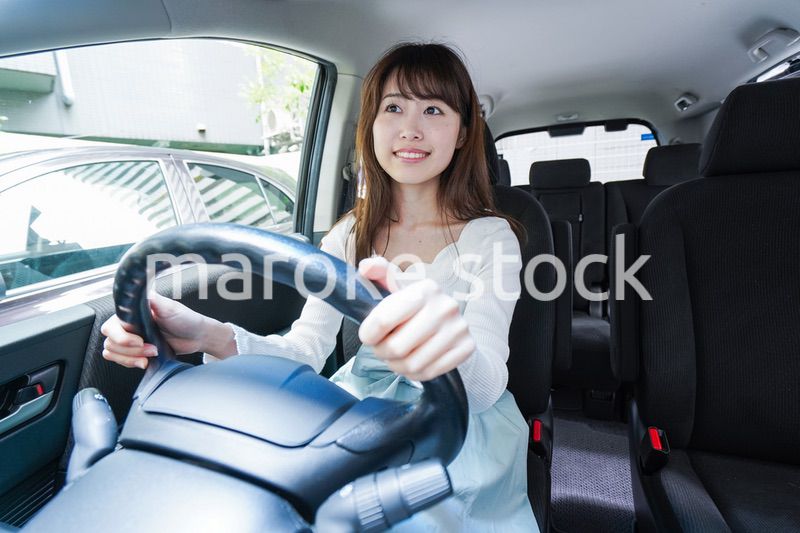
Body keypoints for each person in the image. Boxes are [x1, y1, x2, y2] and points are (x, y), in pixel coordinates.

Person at [101, 42, 538, 532]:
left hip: (458, 428)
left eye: (434, 109)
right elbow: (306, 349)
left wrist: (441, 350)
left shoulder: (492, 235)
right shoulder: (348, 234)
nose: (410, 128)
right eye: (393, 107)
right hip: (359, 405)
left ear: (461, 134)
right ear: (370, 126)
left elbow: (484, 387)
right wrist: (207, 334)